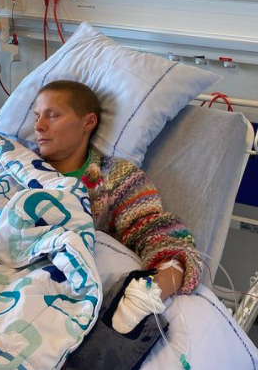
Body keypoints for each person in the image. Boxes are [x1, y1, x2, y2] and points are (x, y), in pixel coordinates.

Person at [33, 80, 200, 301]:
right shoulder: (10, 161)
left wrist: (141, 300)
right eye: (36, 117)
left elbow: (162, 240)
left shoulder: (116, 178)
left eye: (53, 115)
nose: (38, 126)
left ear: (88, 122)